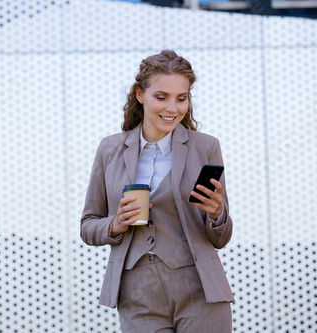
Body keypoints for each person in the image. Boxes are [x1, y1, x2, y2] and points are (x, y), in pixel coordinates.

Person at [80, 49, 234, 332]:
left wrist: (217, 214)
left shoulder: (206, 147)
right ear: (140, 94)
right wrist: (115, 224)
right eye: (161, 97)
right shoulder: (110, 149)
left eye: (181, 98)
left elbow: (221, 238)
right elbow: (88, 226)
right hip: (138, 294)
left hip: (199, 289)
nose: (172, 108)